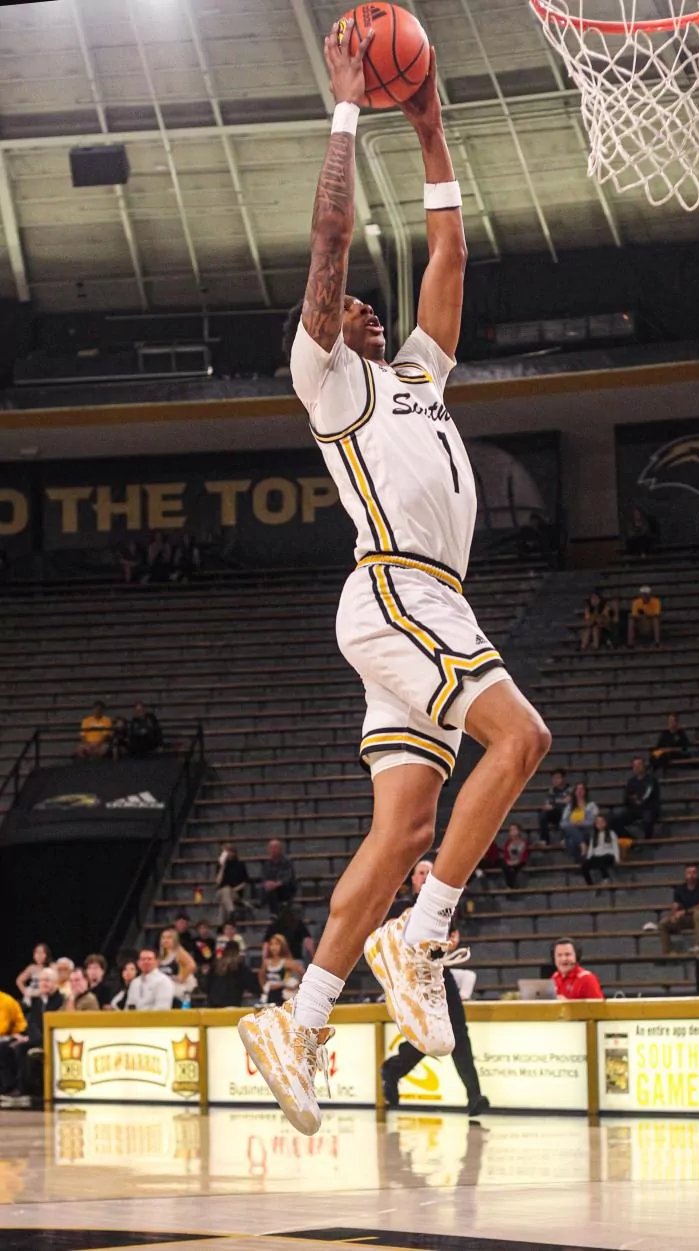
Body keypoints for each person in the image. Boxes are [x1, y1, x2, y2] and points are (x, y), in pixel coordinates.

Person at [238, 27, 551, 1138]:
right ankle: (420, 942)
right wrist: (346, 106)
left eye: (372, 303)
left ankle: (301, 1022)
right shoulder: (327, 378)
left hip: (426, 605)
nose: (365, 304)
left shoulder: (416, 373)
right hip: (397, 593)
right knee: (523, 739)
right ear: (322, 325)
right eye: (346, 303)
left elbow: (448, 256)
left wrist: (429, 129)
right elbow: (329, 234)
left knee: (404, 830)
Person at [381, 897, 489, 1118]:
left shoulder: (441, 902)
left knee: (458, 1031)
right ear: (413, 880)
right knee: (428, 1034)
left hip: (439, 971)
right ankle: (394, 1069)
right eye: (421, 876)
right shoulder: (400, 907)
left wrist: (450, 942)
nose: (425, 879)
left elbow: (449, 936)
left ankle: (474, 1096)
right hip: (411, 976)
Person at [0, 968, 63, 1099]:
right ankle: (8, 1087)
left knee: (20, 1049)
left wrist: (31, 1039)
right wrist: (22, 1036)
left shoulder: (60, 1000)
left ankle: (23, 1088)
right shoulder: (36, 1000)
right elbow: (32, 1022)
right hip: (34, 1037)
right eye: (41, 981)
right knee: (4, 1047)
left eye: (47, 980)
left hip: (50, 1039)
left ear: (56, 983)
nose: (43, 983)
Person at [658, 865, 699, 955]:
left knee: (698, 914)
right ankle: (667, 952)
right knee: (663, 923)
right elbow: (675, 905)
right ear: (685, 874)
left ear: (697, 874)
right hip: (687, 918)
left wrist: (685, 911)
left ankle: (698, 947)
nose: (691, 875)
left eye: (694, 873)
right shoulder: (680, 888)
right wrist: (673, 915)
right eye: (689, 873)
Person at [610, 757, 661, 841]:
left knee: (647, 819)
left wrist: (639, 799)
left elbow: (649, 795)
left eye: (639, 765)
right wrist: (634, 799)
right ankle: (631, 839)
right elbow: (626, 798)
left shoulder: (651, 780)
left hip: (648, 808)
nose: (637, 767)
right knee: (614, 821)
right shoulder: (631, 782)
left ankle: (648, 841)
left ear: (644, 766)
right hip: (634, 809)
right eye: (635, 765)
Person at [206, 941, 260, 1009]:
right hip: (232, 1003)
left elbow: (207, 984)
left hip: (214, 1003)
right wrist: (259, 991)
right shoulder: (239, 966)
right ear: (237, 951)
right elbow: (250, 983)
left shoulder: (216, 964)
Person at [559, 781, 599, 864]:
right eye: (578, 789)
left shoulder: (591, 805)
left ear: (585, 792)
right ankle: (582, 846)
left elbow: (591, 822)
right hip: (572, 831)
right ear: (575, 792)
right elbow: (562, 824)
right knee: (570, 831)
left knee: (571, 840)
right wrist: (573, 824)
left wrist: (578, 824)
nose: (580, 791)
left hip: (586, 831)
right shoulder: (569, 807)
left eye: (582, 789)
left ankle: (580, 860)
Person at [260, 934, 305, 1006]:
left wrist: (296, 986)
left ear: (282, 946)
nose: (274, 947)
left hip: (283, 995)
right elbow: (261, 975)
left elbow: (303, 973)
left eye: (277, 944)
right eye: (271, 944)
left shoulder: (287, 962)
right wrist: (264, 987)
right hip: (270, 994)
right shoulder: (266, 962)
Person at [215, 843, 252, 925]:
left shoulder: (240, 865)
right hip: (220, 893)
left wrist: (233, 890)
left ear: (234, 853)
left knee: (223, 905)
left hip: (235, 893)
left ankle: (221, 926)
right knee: (225, 890)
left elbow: (244, 882)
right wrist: (222, 867)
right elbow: (218, 882)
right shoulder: (220, 866)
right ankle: (231, 911)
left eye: (229, 852)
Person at [159, 927, 198, 1005]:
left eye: (169, 938)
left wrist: (182, 978)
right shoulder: (162, 955)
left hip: (178, 989)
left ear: (175, 940)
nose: (165, 940)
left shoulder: (178, 951)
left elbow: (192, 965)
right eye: (163, 937)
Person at [260, 838, 298, 915]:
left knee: (272, 890)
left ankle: (274, 913)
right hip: (271, 890)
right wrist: (266, 883)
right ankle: (272, 912)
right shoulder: (267, 864)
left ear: (280, 849)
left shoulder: (287, 862)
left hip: (285, 889)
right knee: (268, 889)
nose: (273, 850)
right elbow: (264, 878)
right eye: (271, 848)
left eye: (275, 848)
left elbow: (287, 878)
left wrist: (275, 884)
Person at [580, 813, 620, 886]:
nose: (600, 824)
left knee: (601, 861)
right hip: (597, 855)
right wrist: (588, 858)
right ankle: (590, 884)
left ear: (606, 823)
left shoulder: (611, 833)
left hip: (608, 854)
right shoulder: (594, 835)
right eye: (597, 822)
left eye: (602, 822)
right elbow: (591, 848)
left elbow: (615, 846)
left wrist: (617, 858)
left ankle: (606, 877)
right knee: (584, 866)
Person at [538, 767, 570, 845]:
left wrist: (555, 803)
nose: (555, 780)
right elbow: (548, 803)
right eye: (553, 778)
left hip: (567, 813)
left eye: (558, 778)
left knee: (565, 810)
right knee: (542, 813)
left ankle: (565, 838)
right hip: (555, 813)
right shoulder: (551, 790)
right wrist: (547, 806)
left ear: (563, 778)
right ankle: (544, 839)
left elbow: (567, 802)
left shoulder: (570, 789)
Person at [501, 822, 529, 889]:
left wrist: (518, 862)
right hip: (510, 862)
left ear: (519, 831)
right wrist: (509, 862)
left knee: (515, 869)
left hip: (520, 862)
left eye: (514, 829)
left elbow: (524, 855)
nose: (513, 831)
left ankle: (511, 886)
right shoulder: (508, 843)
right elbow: (506, 854)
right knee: (504, 865)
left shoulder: (524, 842)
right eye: (511, 830)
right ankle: (510, 885)